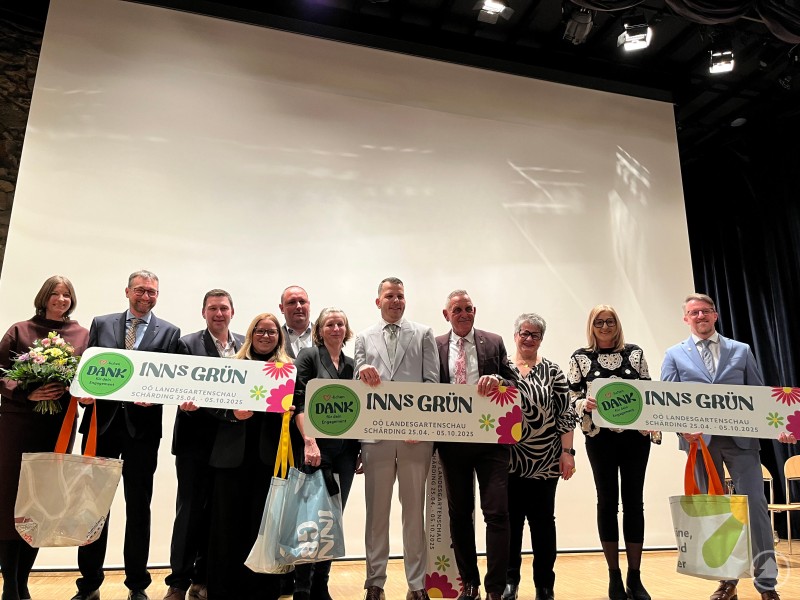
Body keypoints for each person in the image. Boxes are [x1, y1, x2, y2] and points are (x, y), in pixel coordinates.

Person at [661, 293, 796, 600]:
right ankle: (726, 582)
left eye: (705, 311)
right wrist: (683, 429)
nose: (700, 316)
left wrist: (781, 427)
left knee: (756, 511)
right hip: (700, 445)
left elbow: (759, 395)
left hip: (742, 442)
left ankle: (767, 585)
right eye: (693, 312)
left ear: (715, 315)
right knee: (714, 514)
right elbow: (667, 401)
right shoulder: (674, 354)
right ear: (686, 319)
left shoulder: (741, 350)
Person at [72, 270, 181, 600]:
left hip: (142, 433)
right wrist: (83, 391)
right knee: (92, 510)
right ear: (127, 291)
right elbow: (87, 368)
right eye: (140, 290)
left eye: (152, 292)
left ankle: (137, 586)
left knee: (138, 511)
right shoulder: (102, 323)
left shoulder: (170, 332)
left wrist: (158, 396)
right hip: (101, 428)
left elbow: (171, 379)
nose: (146, 296)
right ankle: (89, 585)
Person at [0, 276, 89, 600]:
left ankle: (22, 580)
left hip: (58, 429)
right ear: (44, 296)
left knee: (40, 506)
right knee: (10, 503)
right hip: (18, 426)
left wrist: (83, 393)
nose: (61, 299)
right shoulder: (19, 330)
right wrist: (28, 393)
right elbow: (1, 375)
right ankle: (11, 585)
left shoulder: (82, 335)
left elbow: (89, 378)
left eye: (67, 294)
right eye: (55, 293)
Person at [205, 312, 302, 600]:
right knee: (225, 525)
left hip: (269, 460)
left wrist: (292, 410)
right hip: (231, 458)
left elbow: (298, 408)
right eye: (260, 330)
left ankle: (262, 590)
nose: (266, 336)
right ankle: (223, 590)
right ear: (251, 333)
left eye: (272, 332)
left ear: (279, 337)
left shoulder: (288, 370)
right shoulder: (234, 366)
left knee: (263, 527)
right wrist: (232, 414)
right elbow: (212, 406)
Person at [354, 277, 439, 600]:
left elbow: (432, 383)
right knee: (376, 513)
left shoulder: (423, 334)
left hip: (414, 438)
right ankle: (374, 582)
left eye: (401, 296)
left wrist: (421, 425)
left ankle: (416, 584)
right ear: (378, 301)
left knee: (413, 512)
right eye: (390, 296)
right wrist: (361, 370)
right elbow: (355, 388)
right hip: (375, 439)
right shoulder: (363, 337)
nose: (396, 301)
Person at [567, 305, 654, 600]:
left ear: (618, 324)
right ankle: (614, 576)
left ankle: (635, 576)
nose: (605, 326)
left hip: (635, 439)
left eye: (610, 321)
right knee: (606, 502)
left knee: (634, 503)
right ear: (591, 326)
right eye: (599, 322)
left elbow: (648, 391)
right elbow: (571, 394)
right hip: (599, 438)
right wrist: (583, 405)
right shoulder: (580, 357)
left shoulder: (635, 353)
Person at [163, 290, 244, 600]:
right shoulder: (187, 343)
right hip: (194, 443)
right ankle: (178, 582)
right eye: (213, 308)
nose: (219, 313)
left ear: (232, 312)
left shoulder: (242, 344)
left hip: (229, 444)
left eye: (224, 308)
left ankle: (204, 578)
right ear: (204, 312)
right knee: (189, 513)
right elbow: (182, 388)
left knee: (217, 515)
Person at [434, 290, 516, 600]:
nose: (464, 313)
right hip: (452, 442)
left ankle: (495, 589)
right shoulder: (435, 345)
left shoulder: (493, 342)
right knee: (460, 514)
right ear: (447, 315)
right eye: (457, 309)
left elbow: (513, 383)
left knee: (497, 512)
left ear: (475, 311)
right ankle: (470, 583)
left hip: (491, 441)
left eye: (468, 308)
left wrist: (498, 380)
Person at [503, 313, 576, 600]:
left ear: (541, 339)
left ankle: (545, 585)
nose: (529, 338)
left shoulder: (554, 371)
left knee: (543, 524)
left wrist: (567, 453)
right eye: (524, 333)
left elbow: (566, 415)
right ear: (516, 335)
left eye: (535, 334)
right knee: (510, 524)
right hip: (507, 460)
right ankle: (510, 582)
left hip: (546, 460)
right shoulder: (501, 369)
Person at [292, 307, 360, 600]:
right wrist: (309, 441)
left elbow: (359, 411)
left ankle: (321, 582)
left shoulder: (353, 364)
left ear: (346, 330)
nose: (335, 328)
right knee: (310, 519)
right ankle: (302, 586)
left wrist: (360, 449)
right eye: (330, 324)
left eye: (340, 324)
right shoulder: (308, 356)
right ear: (320, 330)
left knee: (332, 519)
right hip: (316, 450)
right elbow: (299, 402)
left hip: (345, 452)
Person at [280, 286, 312, 359]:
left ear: (309, 305)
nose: (298, 306)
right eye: (292, 302)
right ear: (282, 308)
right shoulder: (275, 338)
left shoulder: (324, 336)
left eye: (302, 302)